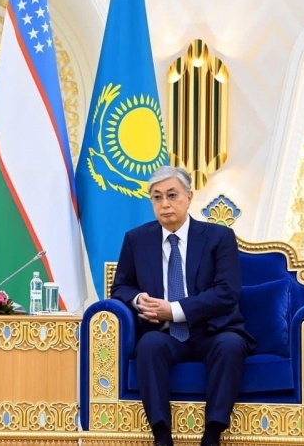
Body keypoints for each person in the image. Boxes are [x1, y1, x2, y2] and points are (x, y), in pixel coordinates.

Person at [111, 166, 254, 446]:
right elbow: (121, 287)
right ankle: (161, 435)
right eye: (157, 197)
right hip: (164, 332)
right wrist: (139, 300)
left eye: (172, 195)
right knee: (149, 345)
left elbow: (227, 292)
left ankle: (212, 435)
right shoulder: (136, 239)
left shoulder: (219, 237)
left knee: (229, 346)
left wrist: (175, 310)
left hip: (213, 330)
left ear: (189, 197)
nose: (165, 204)